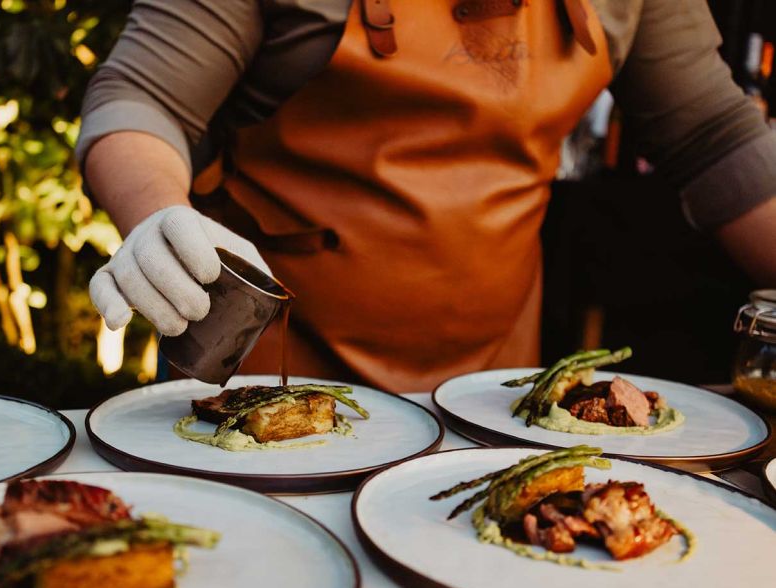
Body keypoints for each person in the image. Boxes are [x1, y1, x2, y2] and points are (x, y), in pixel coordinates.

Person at [77, 0, 776, 393]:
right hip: (265, 378)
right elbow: (140, 96)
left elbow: (715, 138)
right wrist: (156, 213)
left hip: (493, 393)